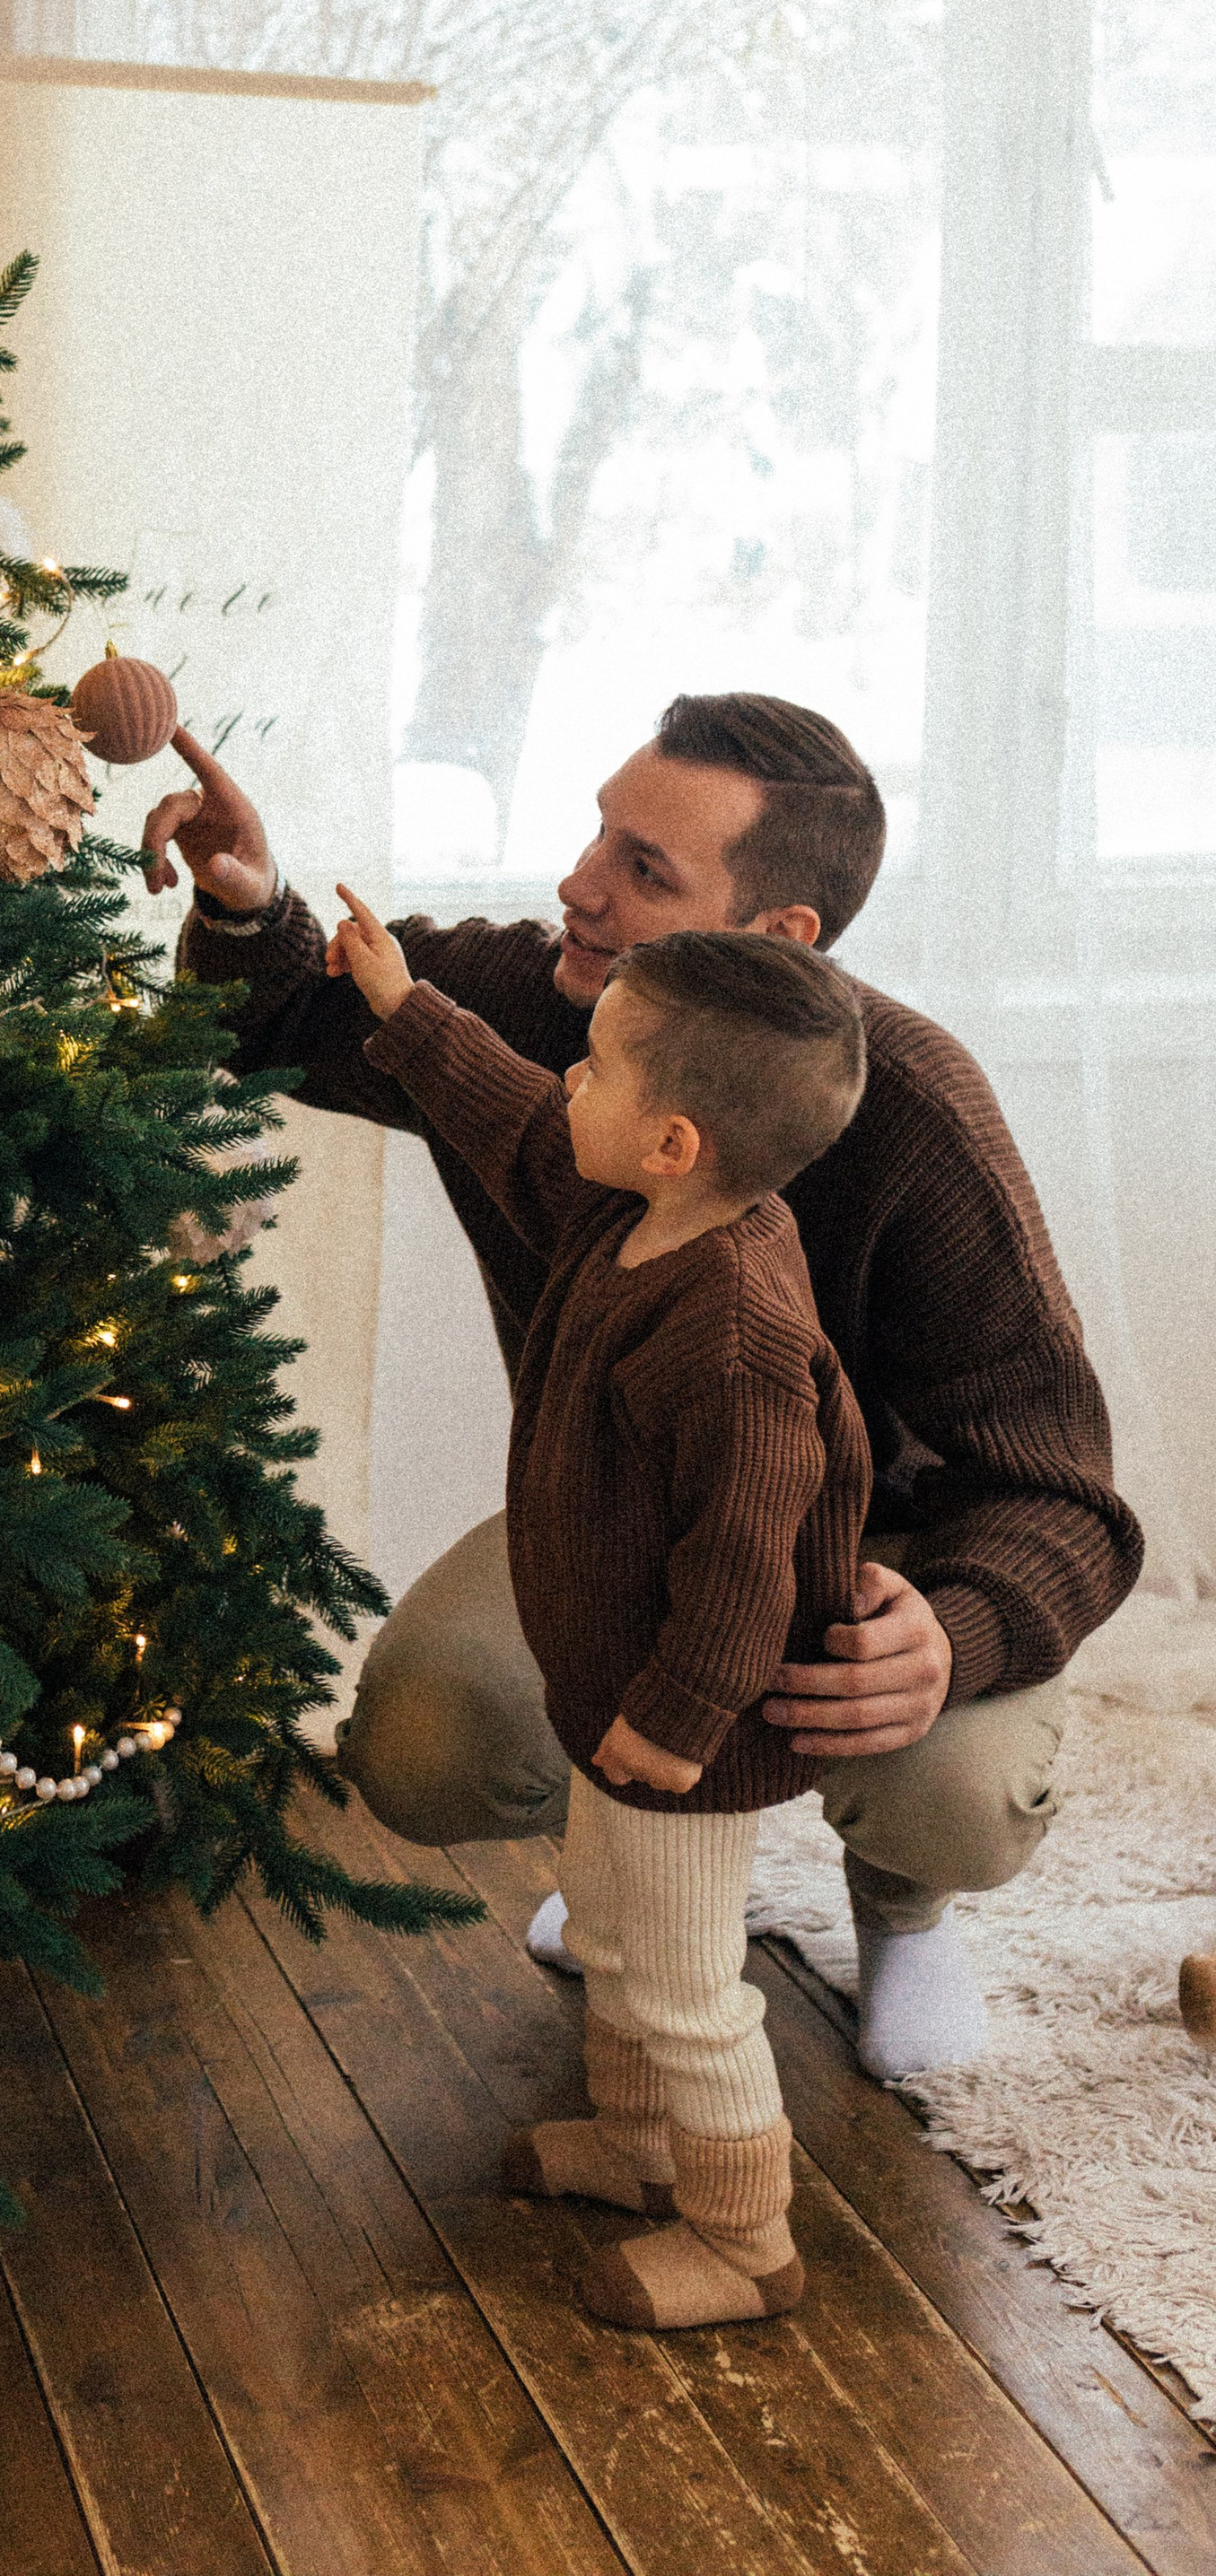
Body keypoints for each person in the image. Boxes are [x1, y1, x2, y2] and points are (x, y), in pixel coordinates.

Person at [147, 693, 1142, 2080]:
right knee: (427, 1739)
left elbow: (1066, 1492)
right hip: (622, 1523)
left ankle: (903, 1906)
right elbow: (306, 1012)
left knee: (954, 1793)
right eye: (597, 833)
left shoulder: (917, 1115)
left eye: (644, 869)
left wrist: (959, 1635)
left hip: (876, 1559)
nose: (578, 884)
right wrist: (250, 904)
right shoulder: (547, 1002)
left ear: (775, 939)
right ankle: (628, 1862)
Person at [326, 902, 871, 2327]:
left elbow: (747, 1562)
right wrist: (402, 1006)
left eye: (600, 1065)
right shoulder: (629, 1208)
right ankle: (635, 2148)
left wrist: (681, 1726)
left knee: (690, 1985)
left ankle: (749, 2243)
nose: (569, 1076)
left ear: (675, 1139)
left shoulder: (737, 1326)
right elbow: (509, 1111)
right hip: (605, 1685)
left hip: (685, 1731)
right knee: (615, 1940)